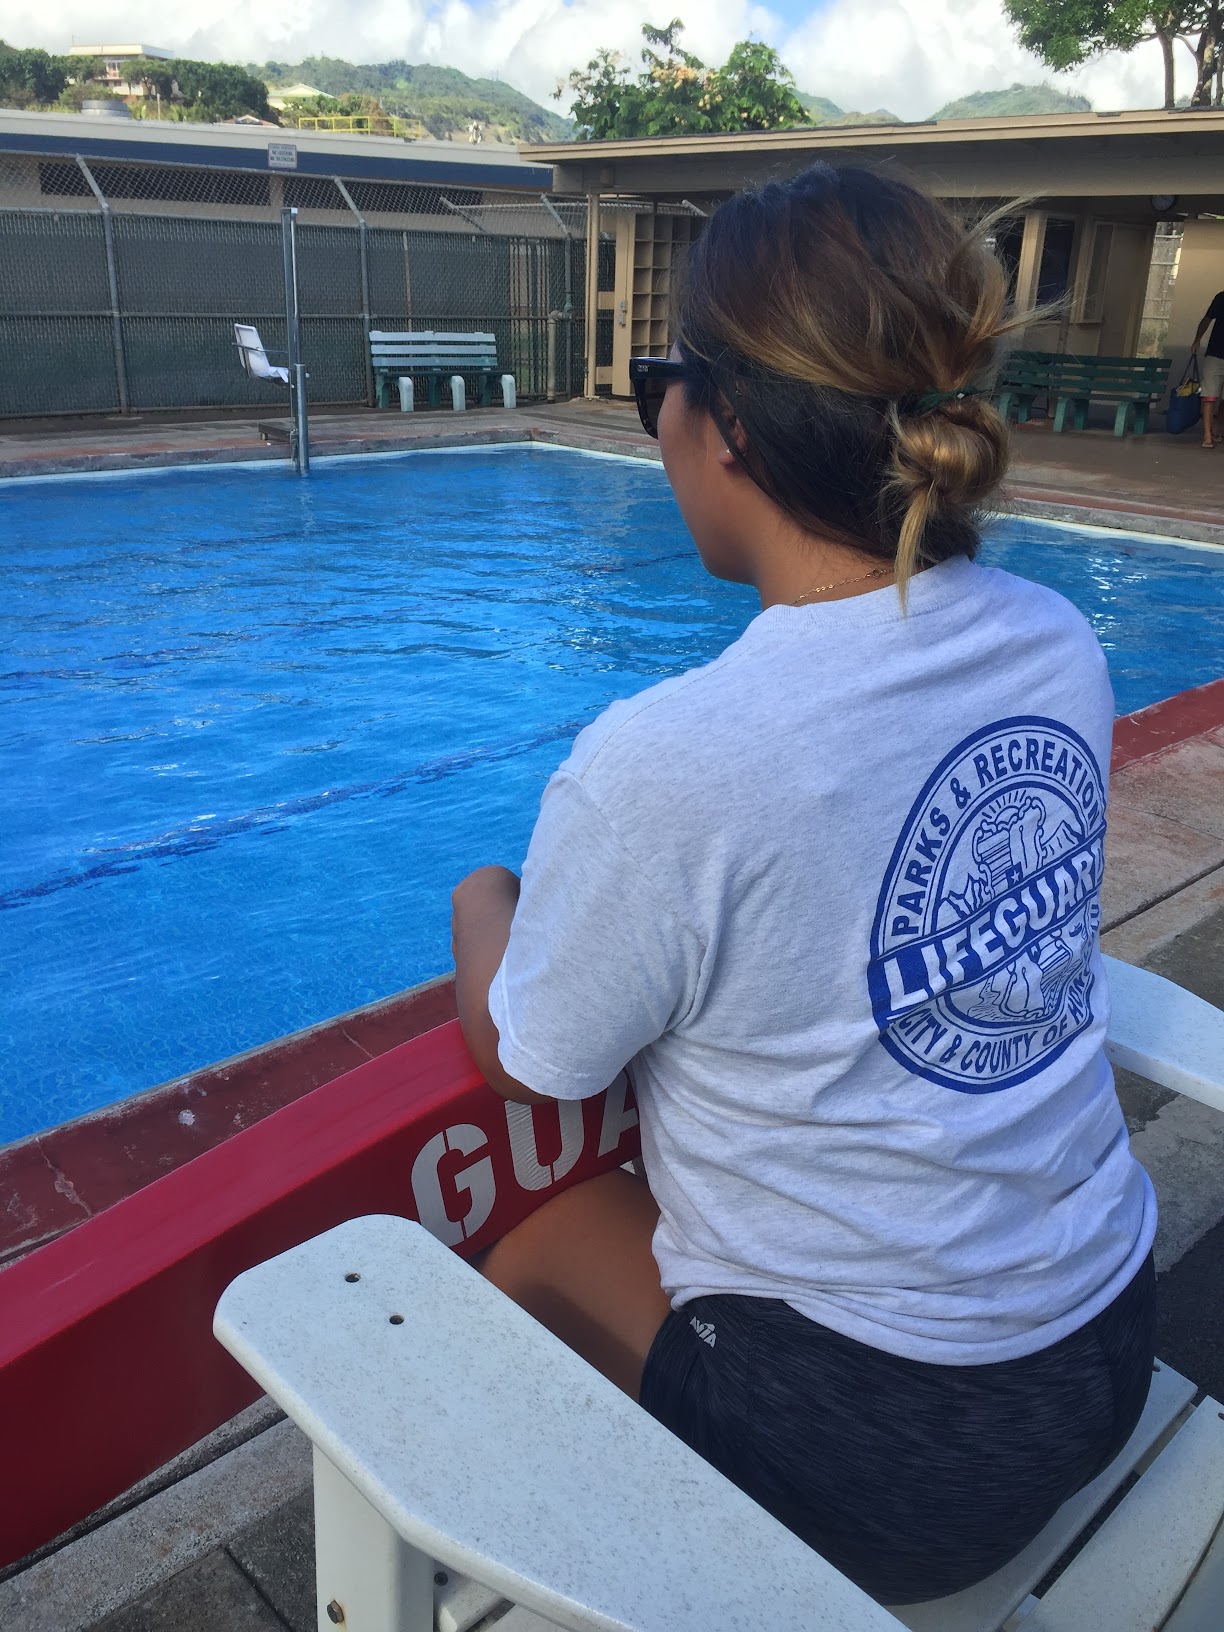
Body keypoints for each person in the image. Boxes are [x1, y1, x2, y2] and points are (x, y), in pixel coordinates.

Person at [450, 164, 1157, 1607]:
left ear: (727, 426)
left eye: (659, 385)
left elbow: (533, 1062)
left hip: (900, 1465)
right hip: (1106, 1343)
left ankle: (582, 1578)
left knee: (536, 1253)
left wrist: (481, 896)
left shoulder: (673, 758)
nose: (657, 421)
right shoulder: (1054, 641)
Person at [1191, 290, 1224, 447]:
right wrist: (1197, 339)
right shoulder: (1222, 297)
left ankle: (1217, 429)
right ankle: (1207, 435)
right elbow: (1207, 319)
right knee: (1209, 395)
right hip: (1215, 353)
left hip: (1215, 353)